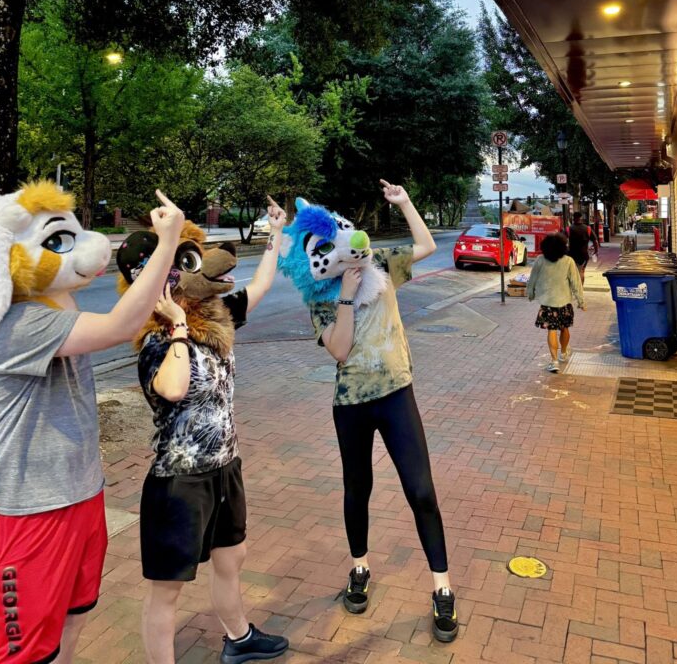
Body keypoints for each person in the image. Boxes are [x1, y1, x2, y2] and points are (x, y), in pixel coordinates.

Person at [0, 184, 185, 664]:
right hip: (30, 509)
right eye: (57, 241)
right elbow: (121, 325)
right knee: (22, 649)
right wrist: (167, 243)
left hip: (81, 491)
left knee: (75, 615)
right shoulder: (18, 322)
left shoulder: (53, 303)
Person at [281, 181, 458, 644]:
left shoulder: (379, 263)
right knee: (357, 489)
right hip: (351, 403)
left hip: (396, 392)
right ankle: (359, 567)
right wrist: (345, 294)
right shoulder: (319, 297)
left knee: (421, 490)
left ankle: (442, 587)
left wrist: (405, 203)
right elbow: (339, 350)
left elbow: (425, 246)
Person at [131, 198, 289, 664]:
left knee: (232, 558)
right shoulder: (155, 342)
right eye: (188, 264)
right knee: (168, 588)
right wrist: (179, 326)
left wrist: (276, 232)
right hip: (180, 483)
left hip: (224, 467)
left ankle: (239, 638)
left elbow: (261, 284)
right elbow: (173, 389)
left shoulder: (217, 317)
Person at [527, 231, 585, 372]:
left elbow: (532, 279)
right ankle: (563, 353)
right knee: (564, 328)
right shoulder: (568, 261)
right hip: (564, 302)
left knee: (551, 330)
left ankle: (554, 362)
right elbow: (576, 282)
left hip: (547, 303)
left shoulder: (540, 260)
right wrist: (581, 301)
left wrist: (531, 294)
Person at [566, 211, 599, 285]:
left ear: (573, 218)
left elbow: (562, 240)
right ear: (581, 218)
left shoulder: (568, 229)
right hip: (584, 255)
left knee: (572, 272)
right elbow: (595, 241)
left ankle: (573, 287)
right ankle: (580, 288)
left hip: (572, 254)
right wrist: (596, 251)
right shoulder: (588, 229)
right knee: (582, 271)